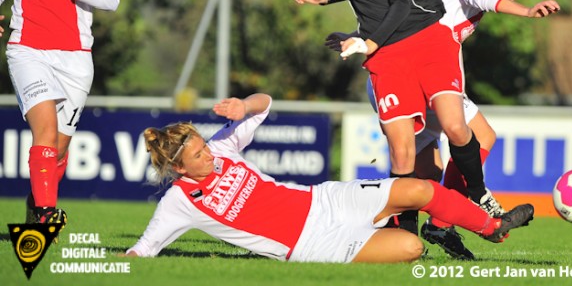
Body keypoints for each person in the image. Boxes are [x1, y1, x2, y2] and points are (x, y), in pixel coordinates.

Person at [293, 0, 504, 236]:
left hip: (425, 38)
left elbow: (402, 0)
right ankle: (404, 235)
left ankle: (478, 193)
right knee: (402, 152)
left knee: (456, 127)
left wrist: (366, 41)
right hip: (386, 54)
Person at [324, 0, 560, 260]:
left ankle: (394, 232)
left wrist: (359, 37)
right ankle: (457, 212)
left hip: (403, 75)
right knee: (479, 137)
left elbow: (403, 17)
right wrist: (527, 11)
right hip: (420, 76)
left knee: (426, 175)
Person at [125, 93, 535, 263]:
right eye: (198, 155)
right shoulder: (178, 202)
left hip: (324, 200)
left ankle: (492, 227)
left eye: (204, 144)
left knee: (421, 189)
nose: (209, 155)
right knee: (410, 247)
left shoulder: (222, 148)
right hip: (315, 242)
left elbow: (264, 104)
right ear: (179, 168)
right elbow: (142, 253)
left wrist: (243, 105)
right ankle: (398, 230)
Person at [0, 0, 120, 229]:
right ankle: (46, 216)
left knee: (60, 150)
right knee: (46, 134)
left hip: (75, 58)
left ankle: (35, 204)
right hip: (28, 51)